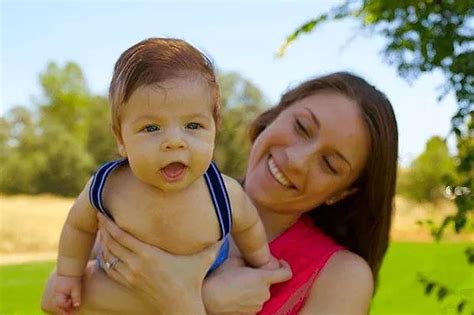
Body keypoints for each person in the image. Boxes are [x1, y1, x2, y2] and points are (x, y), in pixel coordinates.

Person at [42, 71, 398, 314]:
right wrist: (206, 298)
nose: (297, 160)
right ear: (272, 116)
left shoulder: (341, 276)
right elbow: (53, 295)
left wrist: (183, 301)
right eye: (302, 127)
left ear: (342, 193)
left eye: (330, 165)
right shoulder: (160, 190)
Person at [48, 38, 279, 314]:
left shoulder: (223, 193)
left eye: (193, 125)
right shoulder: (107, 186)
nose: (174, 142)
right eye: (151, 128)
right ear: (121, 139)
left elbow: (249, 227)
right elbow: (78, 227)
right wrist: (68, 275)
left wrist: (262, 261)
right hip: (123, 282)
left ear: (214, 131)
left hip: (207, 274)